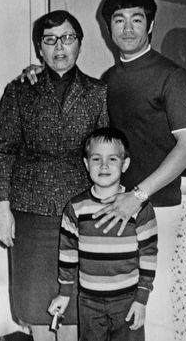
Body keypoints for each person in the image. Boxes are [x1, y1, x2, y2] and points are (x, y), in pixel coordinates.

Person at [19, 0, 186, 340]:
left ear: (150, 25)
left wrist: (139, 195)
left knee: (150, 313)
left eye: (136, 19)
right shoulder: (108, 81)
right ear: (107, 28)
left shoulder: (173, 77)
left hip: (156, 205)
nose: (127, 28)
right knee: (108, 313)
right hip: (112, 206)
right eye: (119, 20)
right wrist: (37, 74)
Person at [0, 10, 108, 341]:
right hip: (30, 213)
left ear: (80, 44)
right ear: (39, 48)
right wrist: (2, 210)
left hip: (80, 212)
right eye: (50, 39)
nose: (60, 47)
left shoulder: (98, 92)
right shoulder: (19, 90)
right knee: (35, 304)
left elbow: (104, 156)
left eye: (68, 38)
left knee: (73, 307)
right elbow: (2, 152)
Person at [48, 127, 158, 341]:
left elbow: (149, 255)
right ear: (87, 164)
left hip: (128, 300)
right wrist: (64, 292)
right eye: (97, 159)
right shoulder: (75, 208)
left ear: (125, 164)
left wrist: (141, 300)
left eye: (113, 159)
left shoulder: (140, 207)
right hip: (88, 301)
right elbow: (67, 254)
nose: (104, 165)